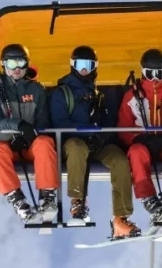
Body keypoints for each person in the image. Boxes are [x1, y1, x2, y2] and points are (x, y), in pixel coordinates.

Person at [50, 45, 141, 238]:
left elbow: (107, 123)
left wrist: (101, 137)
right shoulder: (61, 93)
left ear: (95, 67)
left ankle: (120, 218)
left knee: (119, 159)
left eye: (88, 65)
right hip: (72, 142)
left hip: (95, 143)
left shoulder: (97, 95)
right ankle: (77, 202)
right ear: (72, 65)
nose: (84, 69)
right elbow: (60, 123)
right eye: (80, 65)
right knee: (77, 148)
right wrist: (88, 134)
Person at [0, 44, 58, 223]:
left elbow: (43, 121)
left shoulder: (36, 90)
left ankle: (47, 196)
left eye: (21, 63)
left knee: (45, 143)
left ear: (27, 64)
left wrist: (29, 137)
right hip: (8, 146)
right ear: (4, 65)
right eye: (12, 64)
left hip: (30, 145)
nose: (17, 68)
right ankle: (17, 200)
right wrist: (19, 126)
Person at [118, 48, 162, 223]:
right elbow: (123, 127)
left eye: (160, 74)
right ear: (143, 72)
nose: (155, 79)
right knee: (136, 151)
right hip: (144, 144)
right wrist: (137, 138)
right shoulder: (132, 96)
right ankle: (148, 198)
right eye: (150, 74)